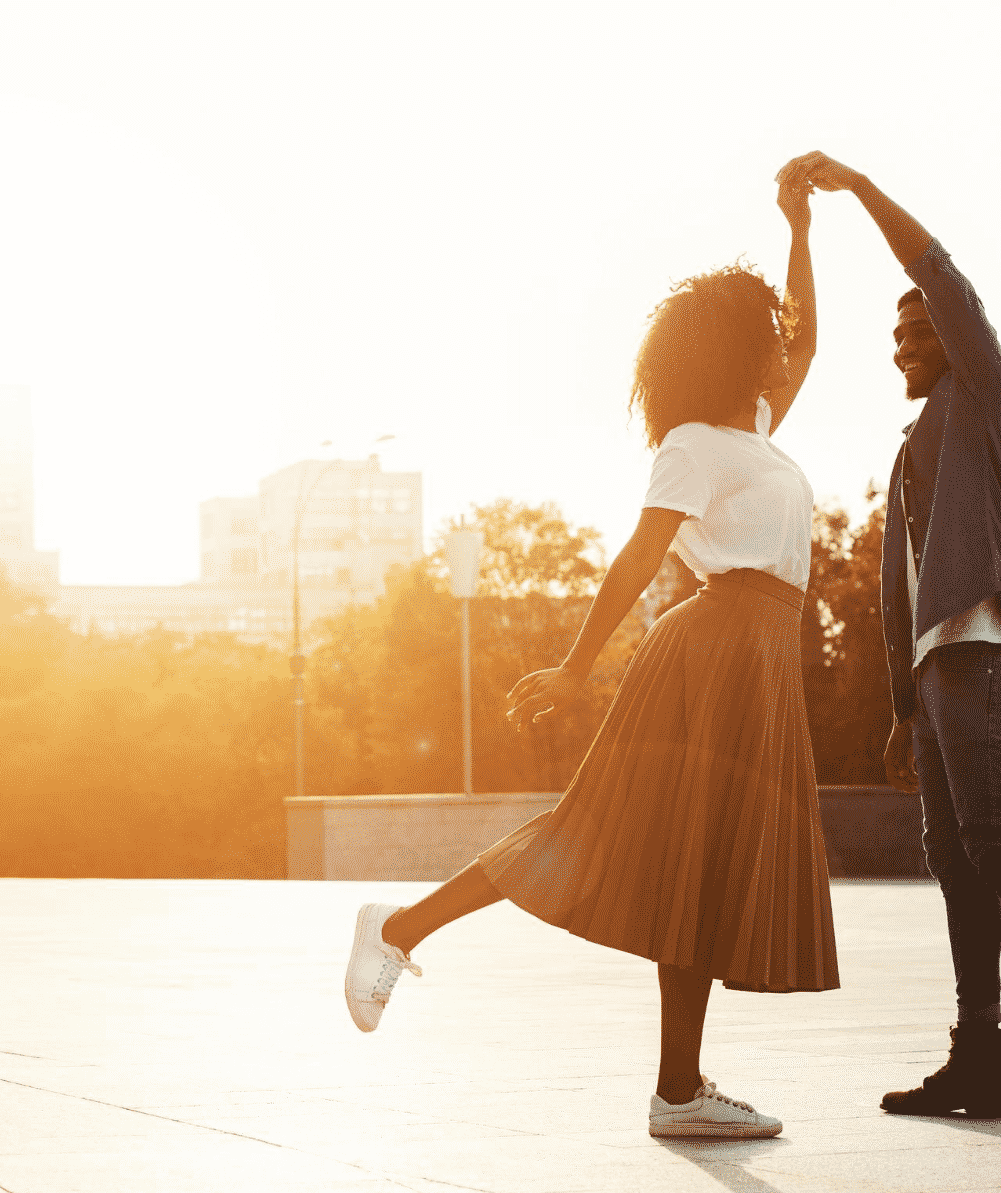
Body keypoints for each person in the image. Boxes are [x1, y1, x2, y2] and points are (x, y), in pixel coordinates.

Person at [343, 172, 838, 1140]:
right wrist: (573, 669)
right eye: (761, 329)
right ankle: (394, 930)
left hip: (760, 656)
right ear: (727, 347)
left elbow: (807, 334)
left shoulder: (756, 429)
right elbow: (638, 557)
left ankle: (677, 1091)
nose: (778, 339)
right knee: (588, 834)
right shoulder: (693, 444)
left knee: (696, 868)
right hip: (711, 648)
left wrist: (797, 226)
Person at [779, 151, 1001, 1136]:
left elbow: (936, 268)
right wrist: (901, 708)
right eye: (891, 338)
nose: (897, 350)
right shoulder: (910, 448)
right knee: (953, 853)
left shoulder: (987, 395)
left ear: (950, 333)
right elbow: (901, 592)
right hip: (940, 673)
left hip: (987, 655)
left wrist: (853, 192)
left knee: (991, 836)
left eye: (909, 332)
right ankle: (977, 1058)